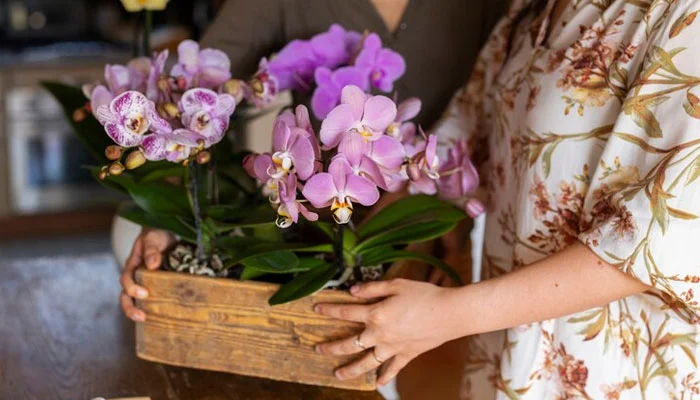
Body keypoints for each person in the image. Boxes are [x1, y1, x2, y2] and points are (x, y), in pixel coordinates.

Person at [313, 0, 700, 398]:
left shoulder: (686, 17)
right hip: (503, 359)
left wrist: (447, 315)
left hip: (614, 372)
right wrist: (383, 203)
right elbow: (470, 128)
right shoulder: (534, 7)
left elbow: (661, 240)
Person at [119, 0, 507, 397]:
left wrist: (450, 206)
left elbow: (510, 103)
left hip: (435, 245)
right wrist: (167, 217)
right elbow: (194, 100)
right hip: (315, 243)